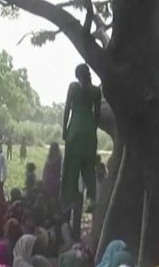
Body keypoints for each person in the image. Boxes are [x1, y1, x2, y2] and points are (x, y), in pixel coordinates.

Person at [61, 64, 101, 211]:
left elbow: (67, 110)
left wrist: (64, 130)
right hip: (89, 132)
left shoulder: (73, 88)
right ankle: (91, 198)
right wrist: (92, 131)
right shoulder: (96, 91)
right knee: (89, 169)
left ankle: (68, 200)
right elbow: (97, 116)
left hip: (75, 132)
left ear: (78, 76)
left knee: (71, 167)